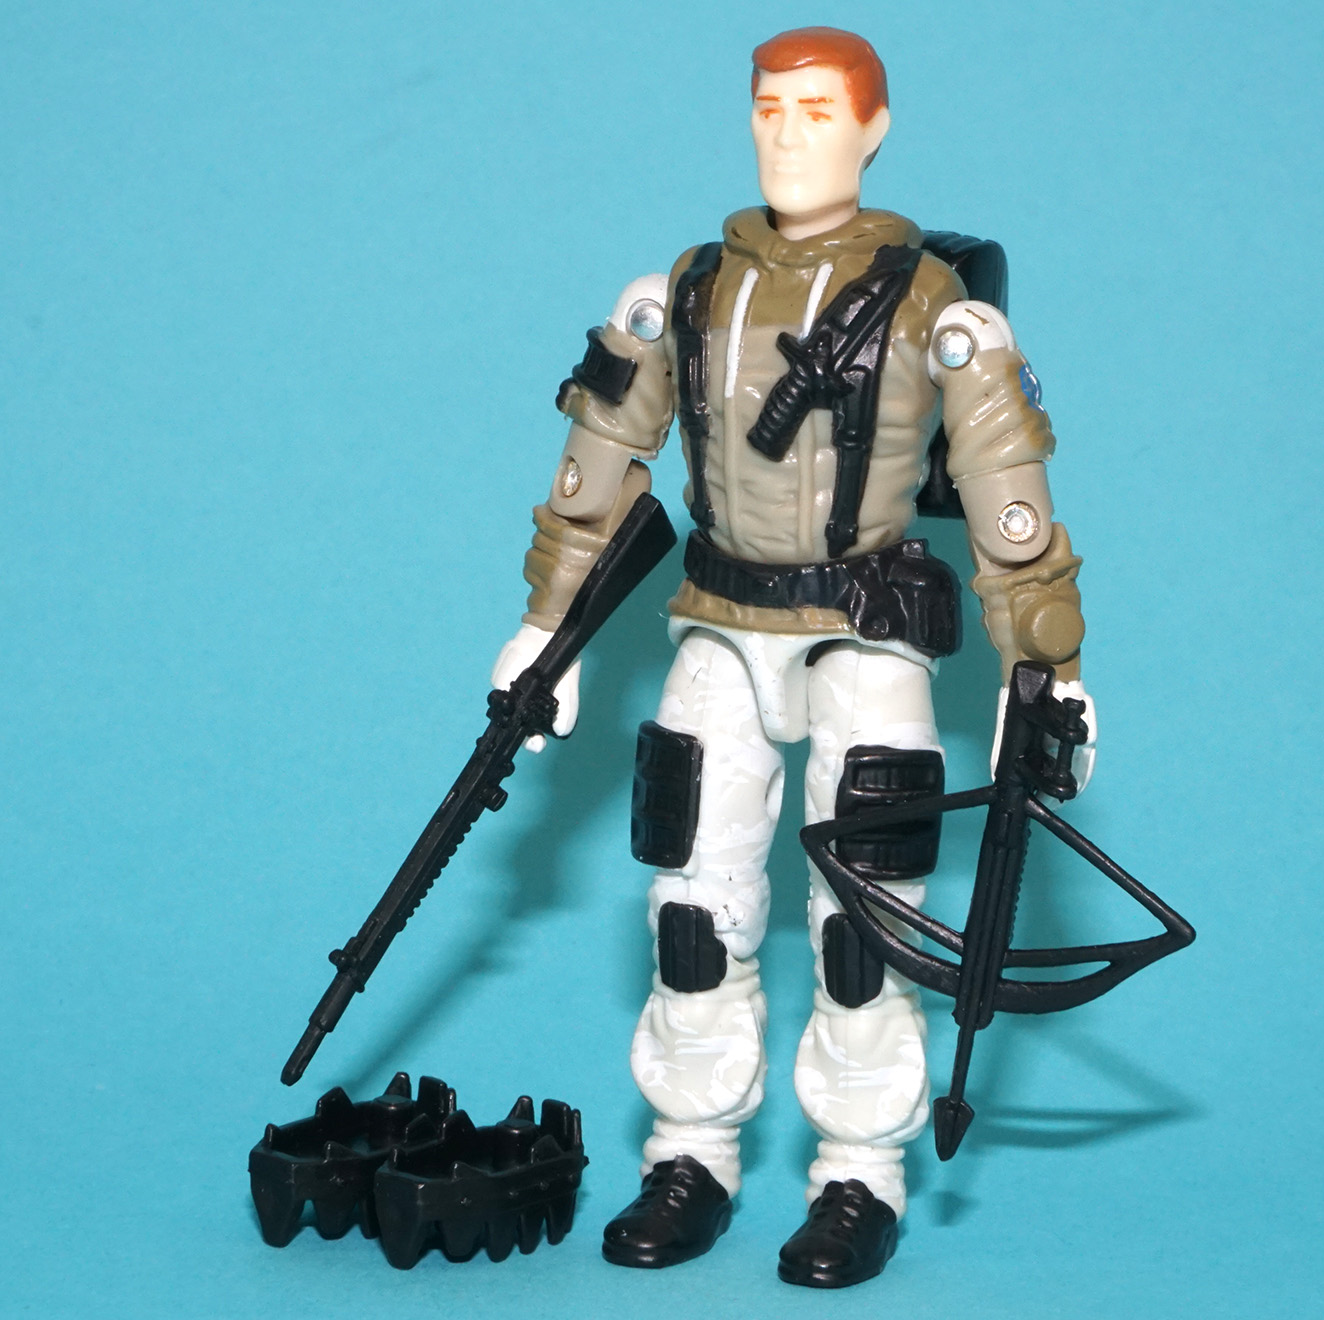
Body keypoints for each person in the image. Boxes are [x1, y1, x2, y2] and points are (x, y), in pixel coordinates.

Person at [490, 25, 1094, 1288]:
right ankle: (690, 1153)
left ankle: (858, 1174)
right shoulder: (687, 290)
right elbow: (602, 455)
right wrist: (549, 625)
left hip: (866, 641)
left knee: (866, 925)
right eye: (769, 109)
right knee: (691, 909)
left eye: (817, 111)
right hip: (718, 627)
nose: (786, 134)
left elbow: (1009, 502)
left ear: (873, 129)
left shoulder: (937, 311)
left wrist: (1044, 670)